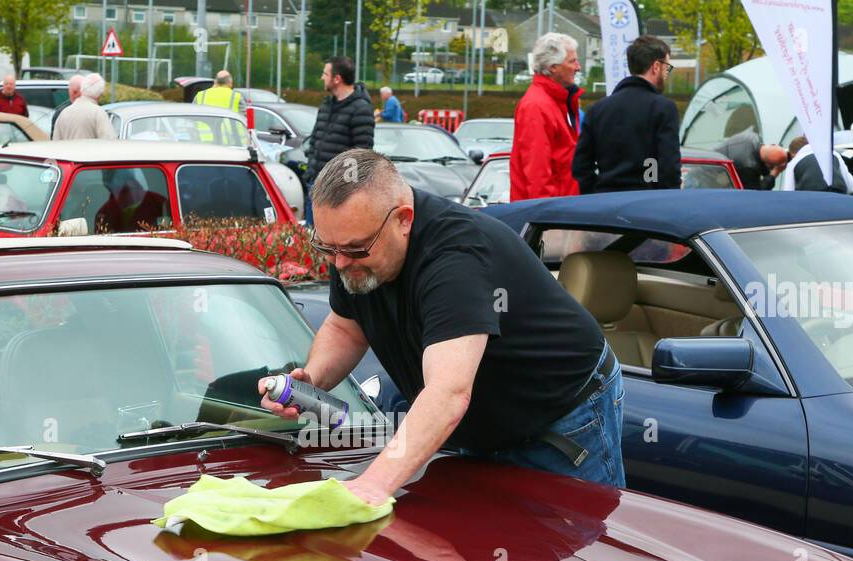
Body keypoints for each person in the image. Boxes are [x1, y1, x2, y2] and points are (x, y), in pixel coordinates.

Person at [263, 148, 624, 506]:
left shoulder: (456, 256)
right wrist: (313, 379)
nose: (340, 262)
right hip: (481, 423)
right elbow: (347, 328)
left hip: (561, 417)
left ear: (404, 219)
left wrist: (372, 485)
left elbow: (449, 392)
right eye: (328, 247)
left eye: (356, 249)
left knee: (581, 546)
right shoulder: (355, 242)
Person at [572, 35, 680, 193]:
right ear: (656, 66)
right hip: (646, 203)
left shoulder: (597, 110)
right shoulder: (663, 108)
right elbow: (668, 167)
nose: (666, 75)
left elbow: (581, 166)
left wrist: (596, 194)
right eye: (667, 68)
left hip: (604, 204)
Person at [510, 33, 583, 201]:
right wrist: (548, 221)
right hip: (552, 214)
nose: (578, 67)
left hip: (562, 209)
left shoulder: (559, 102)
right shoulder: (537, 106)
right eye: (572, 61)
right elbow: (538, 174)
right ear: (553, 67)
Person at [303, 57, 375, 222]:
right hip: (315, 185)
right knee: (310, 239)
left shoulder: (361, 108)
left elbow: (361, 155)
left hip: (337, 193)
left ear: (337, 79)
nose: (322, 77)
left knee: (331, 244)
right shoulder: (326, 105)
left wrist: (344, 189)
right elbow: (315, 140)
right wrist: (310, 172)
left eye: (325, 74)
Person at [710, 128, 789, 190]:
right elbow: (756, 194)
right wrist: (774, 174)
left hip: (711, 160)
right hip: (710, 176)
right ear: (769, 165)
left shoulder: (753, 136)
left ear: (773, 144)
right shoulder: (749, 167)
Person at [52, 73, 116, 141]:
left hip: (66, 151)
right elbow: (110, 141)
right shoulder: (98, 113)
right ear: (100, 94)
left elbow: (55, 142)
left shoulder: (63, 113)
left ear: (82, 88)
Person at [780, 135, 853, 193]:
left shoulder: (794, 162)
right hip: (837, 194)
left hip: (810, 199)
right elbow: (850, 185)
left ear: (792, 154)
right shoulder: (834, 154)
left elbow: (788, 192)